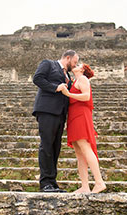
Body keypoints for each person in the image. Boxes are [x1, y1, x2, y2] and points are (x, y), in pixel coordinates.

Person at [32, 50, 79, 193]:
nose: (75, 65)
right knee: (46, 146)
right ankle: (45, 182)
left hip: (60, 114)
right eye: (75, 62)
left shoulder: (67, 76)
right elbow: (37, 79)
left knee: (55, 148)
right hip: (47, 110)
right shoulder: (49, 64)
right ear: (68, 58)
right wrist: (55, 87)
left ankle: (52, 182)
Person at [60, 64, 106, 193]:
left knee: (85, 148)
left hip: (81, 115)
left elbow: (86, 96)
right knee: (79, 153)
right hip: (74, 115)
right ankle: (85, 186)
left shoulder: (83, 79)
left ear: (82, 70)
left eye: (79, 64)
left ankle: (99, 182)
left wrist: (68, 94)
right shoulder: (75, 80)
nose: (75, 65)